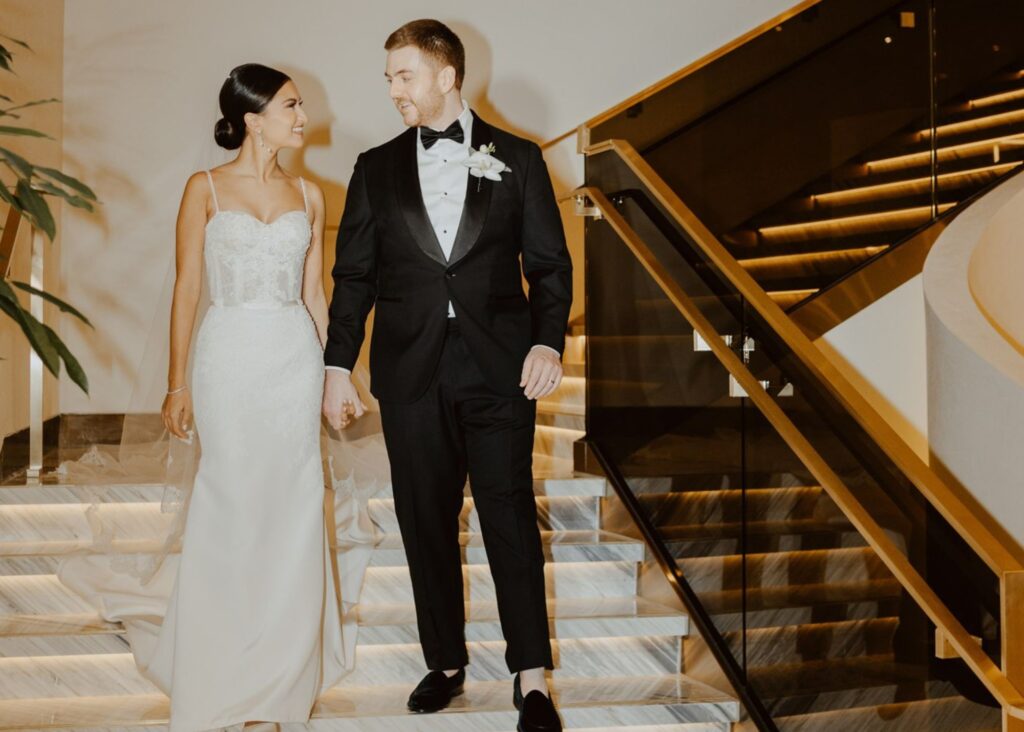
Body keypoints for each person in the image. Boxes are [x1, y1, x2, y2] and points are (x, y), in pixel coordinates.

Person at [321, 19, 571, 732]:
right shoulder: (375, 167)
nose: (394, 89)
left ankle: (532, 678)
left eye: (404, 75)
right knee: (424, 517)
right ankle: (447, 662)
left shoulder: (517, 158)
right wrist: (338, 364)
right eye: (390, 78)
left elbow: (550, 268)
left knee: (509, 516)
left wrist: (547, 343)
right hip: (410, 372)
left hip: (501, 371)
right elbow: (354, 276)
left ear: (446, 77)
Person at [90, 63, 348, 731]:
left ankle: (281, 671)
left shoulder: (311, 195)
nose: (302, 118)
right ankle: (219, 663)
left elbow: (315, 294)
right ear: (253, 116)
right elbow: (185, 290)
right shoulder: (202, 188)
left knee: (292, 500)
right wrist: (176, 383)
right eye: (291, 106)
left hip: (292, 356)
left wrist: (333, 374)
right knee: (230, 497)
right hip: (227, 356)